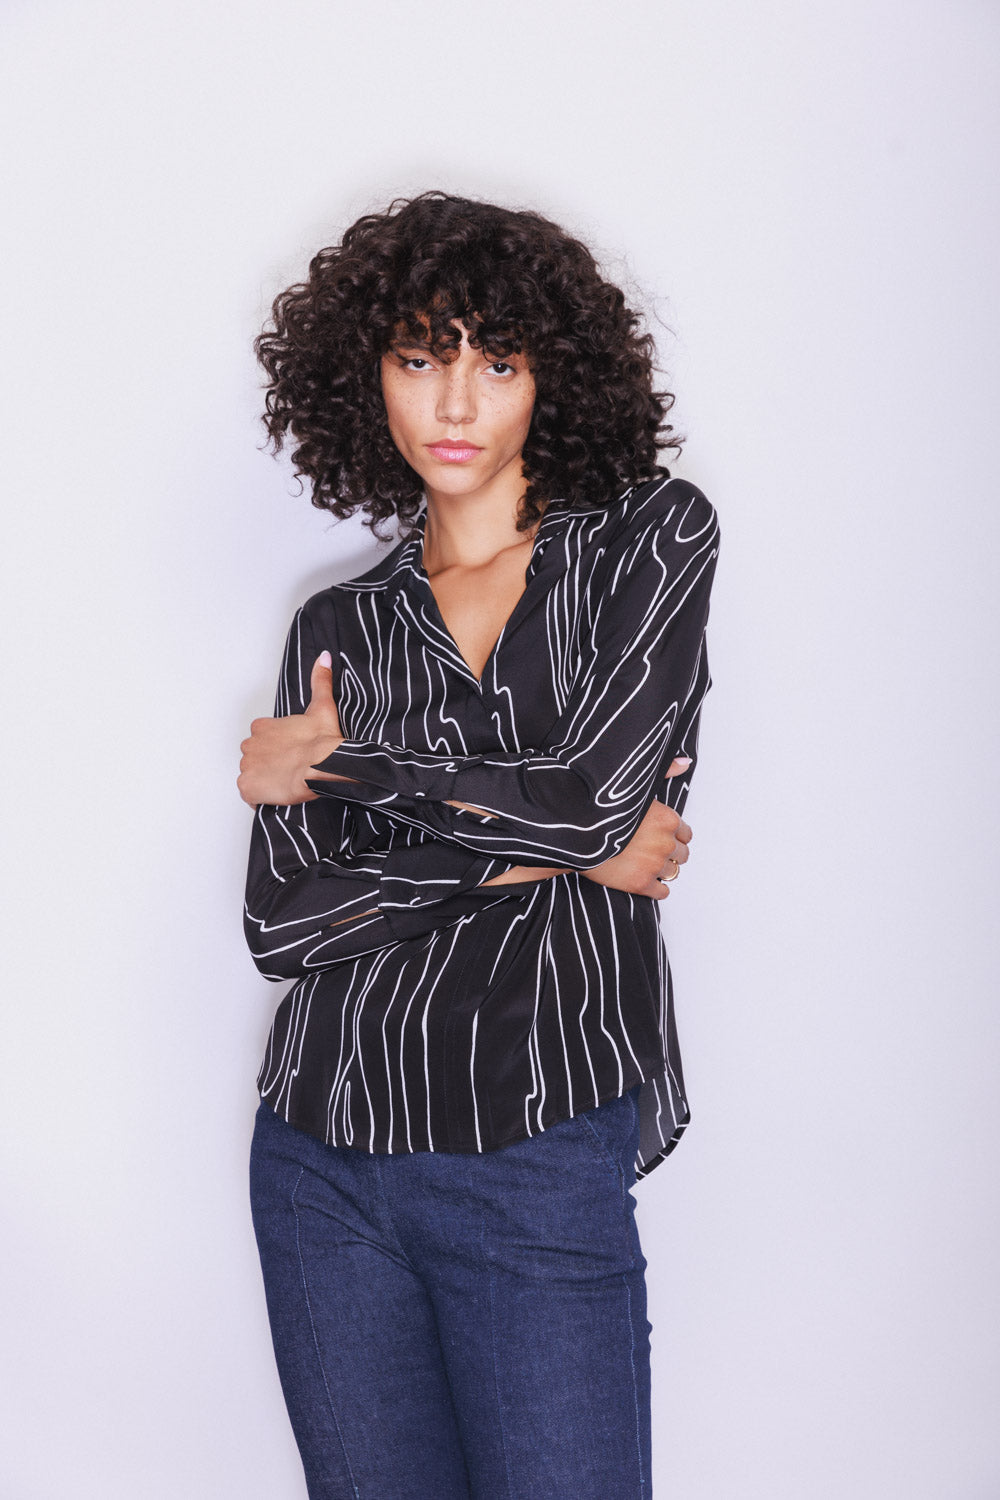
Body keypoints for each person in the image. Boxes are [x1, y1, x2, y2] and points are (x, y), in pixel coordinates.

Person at [238, 191, 720, 1500]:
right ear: (367, 379)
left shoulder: (648, 545)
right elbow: (285, 926)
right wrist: (555, 844)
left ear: (549, 377)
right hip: (323, 1166)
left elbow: (592, 805)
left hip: (538, 1151)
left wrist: (340, 766)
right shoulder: (336, 626)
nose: (456, 404)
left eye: (496, 363)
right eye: (419, 358)